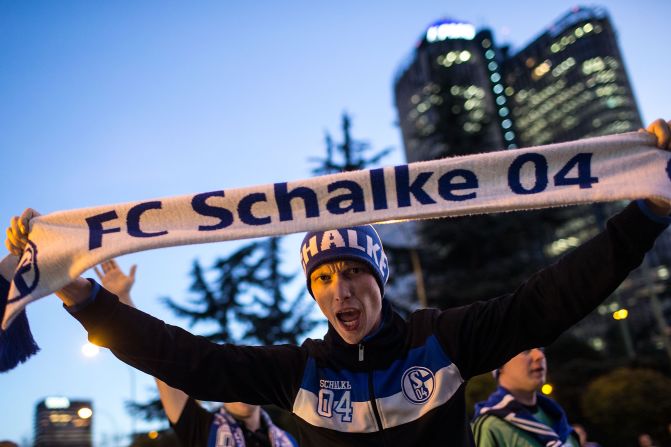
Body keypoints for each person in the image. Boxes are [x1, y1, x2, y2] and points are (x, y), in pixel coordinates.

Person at [6, 119, 671, 446]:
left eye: (352, 273)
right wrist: (82, 295)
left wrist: (645, 209)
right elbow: (190, 361)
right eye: (322, 279)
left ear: (379, 275)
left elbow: (550, 297)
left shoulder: (441, 340)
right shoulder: (293, 371)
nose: (339, 294)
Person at [95, 259, 297, 447]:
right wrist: (123, 299)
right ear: (222, 387)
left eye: (247, 378)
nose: (242, 390)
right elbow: (160, 359)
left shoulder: (287, 440)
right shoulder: (200, 425)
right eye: (235, 380)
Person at [471, 348, 580, 446]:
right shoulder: (490, 427)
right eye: (526, 349)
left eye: (541, 348)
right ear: (499, 362)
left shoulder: (558, 418)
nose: (539, 355)